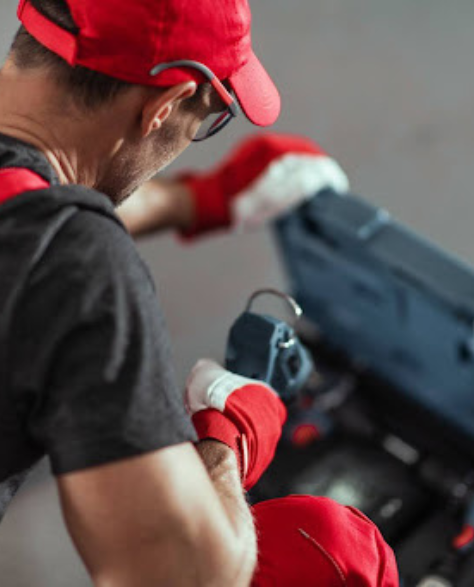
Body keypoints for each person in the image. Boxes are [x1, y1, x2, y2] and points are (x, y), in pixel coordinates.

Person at [0, 0, 398, 584]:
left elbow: (25, 213)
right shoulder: (77, 267)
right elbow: (184, 573)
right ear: (164, 105)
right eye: (204, 122)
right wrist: (226, 442)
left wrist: (198, 201)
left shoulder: (48, 249)